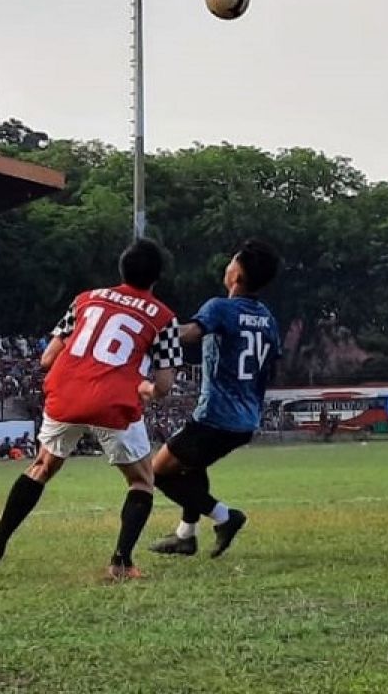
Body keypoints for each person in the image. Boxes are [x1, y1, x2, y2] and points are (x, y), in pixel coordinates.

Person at [0, 239, 182, 580]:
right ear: (157, 277)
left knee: (41, 466)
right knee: (141, 480)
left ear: (121, 268)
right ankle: (121, 563)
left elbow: (47, 358)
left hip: (66, 390)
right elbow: (164, 385)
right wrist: (146, 388)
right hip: (112, 398)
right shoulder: (163, 317)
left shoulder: (86, 299)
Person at [149, 239, 281, 560]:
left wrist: (148, 336)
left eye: (232, 262)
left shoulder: (220, 307)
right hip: (246, 420)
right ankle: (185, 535)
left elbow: (190, 333)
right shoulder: (268, 318)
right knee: (192, 467)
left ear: (237, 275)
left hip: (215, 417)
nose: (228, 265)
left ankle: (224, 516)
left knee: (155, 472)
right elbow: (269, 368)